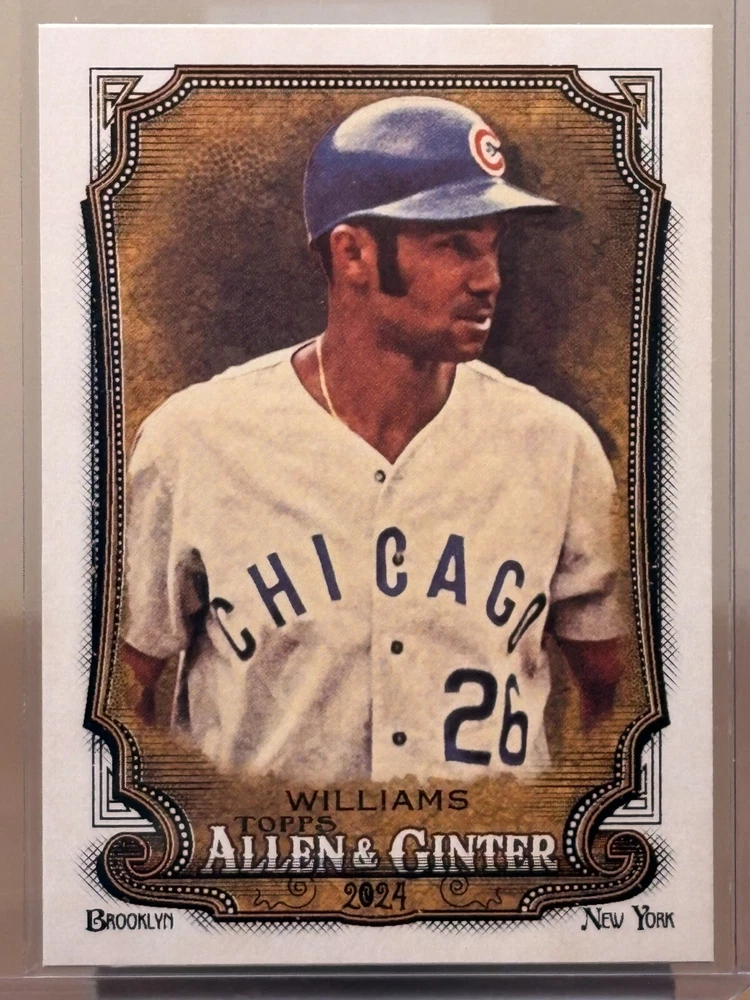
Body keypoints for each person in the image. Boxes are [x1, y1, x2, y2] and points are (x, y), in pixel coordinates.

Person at [122, 96, 625, 783]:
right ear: (353, 252)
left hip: (481, 847)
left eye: (492, 246)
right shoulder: (193, 440)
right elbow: (120, 691)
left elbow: (617, 696)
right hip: (270, 845)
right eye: (454, 245)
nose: (488, 279)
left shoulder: (558, 447)